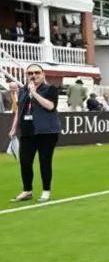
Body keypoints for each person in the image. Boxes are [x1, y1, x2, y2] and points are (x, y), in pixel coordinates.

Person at [8, 64, 60, 202]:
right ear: (27, 75)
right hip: (27, 131)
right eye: (30, 73)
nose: (33, 75)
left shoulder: (50, 89)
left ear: (43, 74)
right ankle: (27, 191)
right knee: (25, 161)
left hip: (46, 131)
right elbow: (19, 110)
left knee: (44, 161)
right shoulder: (23, 90)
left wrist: (35, 93)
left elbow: (50, 106)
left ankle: (46, 191)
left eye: (37, 72)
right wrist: (14, 127)